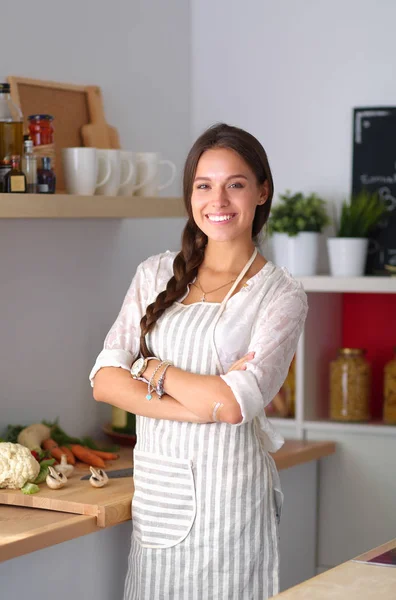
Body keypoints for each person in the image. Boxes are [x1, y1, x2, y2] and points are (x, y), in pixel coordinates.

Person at [89, 123, 308, 599]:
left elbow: (233, 407)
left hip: (231, 503)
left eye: (235, 184)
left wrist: (151, 370)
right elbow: (105, 381)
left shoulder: (280, 294)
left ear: (262, 191)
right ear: (190, 195)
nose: (219, 200)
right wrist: (201, 402)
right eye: (204, 185)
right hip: (160, 497)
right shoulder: (153, 274)